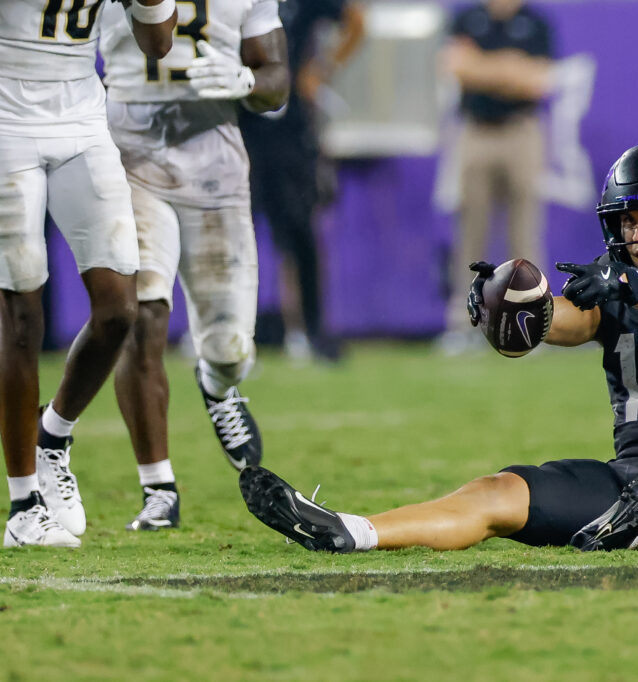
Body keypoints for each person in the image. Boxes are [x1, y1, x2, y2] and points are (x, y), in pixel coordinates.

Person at [239, 142, 638, 554]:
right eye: (627, 221)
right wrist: (509, 304)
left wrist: (631, 286)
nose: (637, 235)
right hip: (625, 479)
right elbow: (556, 321)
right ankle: (353, 532)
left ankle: (629, 533)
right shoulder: (618, 285)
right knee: (498, 490)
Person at [99, 0, 289, 530]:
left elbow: (278, 83)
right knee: (142, 313)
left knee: (231, 348)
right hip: (126, 153)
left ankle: (218, 383)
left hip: (215, 162)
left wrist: (246, 80)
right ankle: (158, 486)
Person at [0, 0, 174, 548]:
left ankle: (55, 432)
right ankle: (24, 503)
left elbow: (159, 43)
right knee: (20, 311)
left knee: (120, 308)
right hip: (6, 114)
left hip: (81, 113)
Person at [239, 0, 365, 362]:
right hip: (236, 120)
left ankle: (313, 330)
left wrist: (322, 68)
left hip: (289, 126)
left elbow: (356, 17)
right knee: (230, 230)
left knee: (299, 227)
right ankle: (228, 336)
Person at [437, 0, 555, 353]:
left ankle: (533, 320)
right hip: (476, 131)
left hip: (521, 130)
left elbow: (536, 82)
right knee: (471, 230)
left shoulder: (535, 22)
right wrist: (509, 68)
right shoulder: (467, 18)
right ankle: (465, 322)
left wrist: (483, 68)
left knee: (525, 231)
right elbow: (456, 67)